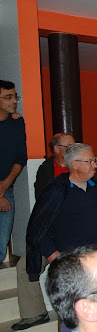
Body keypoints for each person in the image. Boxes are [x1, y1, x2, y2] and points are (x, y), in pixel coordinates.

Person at [14, 143, 97, 331]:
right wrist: (52, 253)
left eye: (95, 161)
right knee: (71, 312)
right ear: (75, 164)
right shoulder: (56, 191)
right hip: (69, 258)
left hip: (96, 258)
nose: (95, 166)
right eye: (90, 162)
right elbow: (38, 226)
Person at [0, 80, 27, 264]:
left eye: (15, 97)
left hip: (6, 187)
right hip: (3, 191)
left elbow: (20, 158)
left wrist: (4, 187)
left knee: (2, 244)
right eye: (8, 97)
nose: (14, 101)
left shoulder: (17, 122)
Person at [34, 133, 76, 199]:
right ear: (57, 149)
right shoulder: (46, 169)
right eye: (69, 147)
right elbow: (41, 197)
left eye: (75, 147)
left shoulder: (81, 166)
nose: (74, 150)